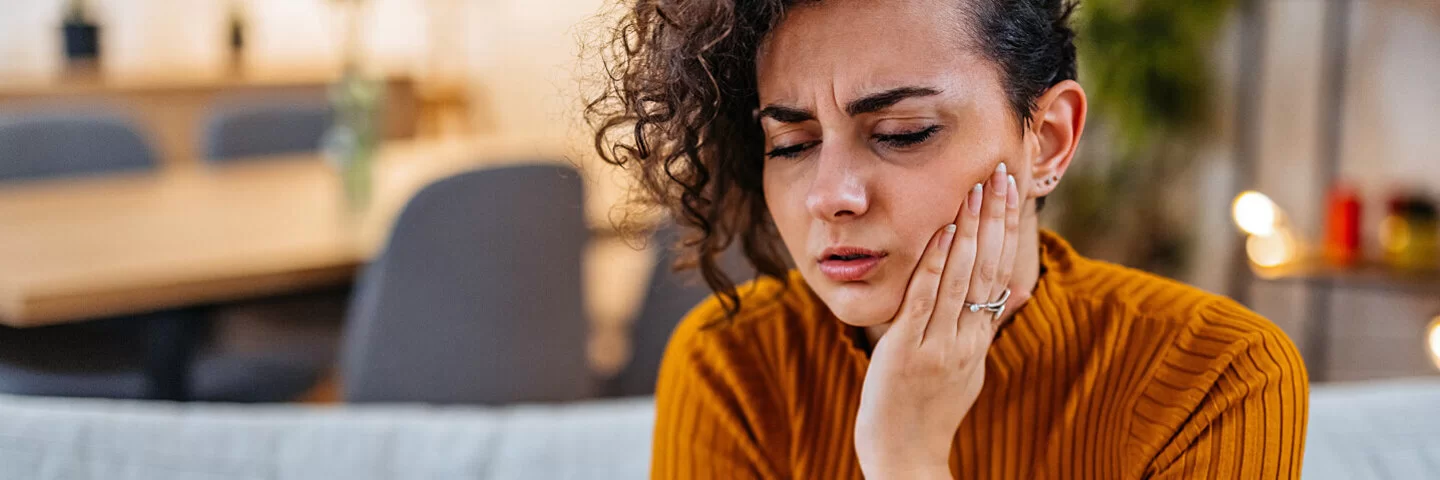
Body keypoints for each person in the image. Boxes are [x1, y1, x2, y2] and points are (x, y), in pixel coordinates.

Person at [587, 0, 1308, 478]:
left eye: (904, 134)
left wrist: (907, 456)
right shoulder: (734, 367)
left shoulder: (1216, 376)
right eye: (792, 143)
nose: (831, 196)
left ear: (1048, 141)